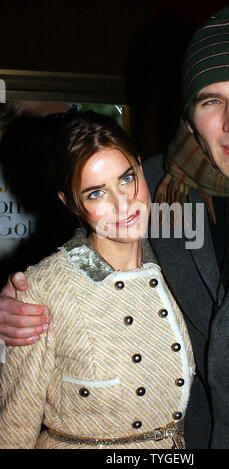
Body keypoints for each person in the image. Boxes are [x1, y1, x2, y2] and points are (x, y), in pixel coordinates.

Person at [0, 6, 229, 448]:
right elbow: (103, 240)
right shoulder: (158, 185)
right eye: (211, 101)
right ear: (189, 115)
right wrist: (25, 300)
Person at [0, 110, 194, 449]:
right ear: (70, 203)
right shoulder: (44, 289)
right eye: (95, 193)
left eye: (126, 178)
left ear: (139, 165)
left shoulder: (179, 263)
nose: (123, 204)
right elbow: (14, 428)